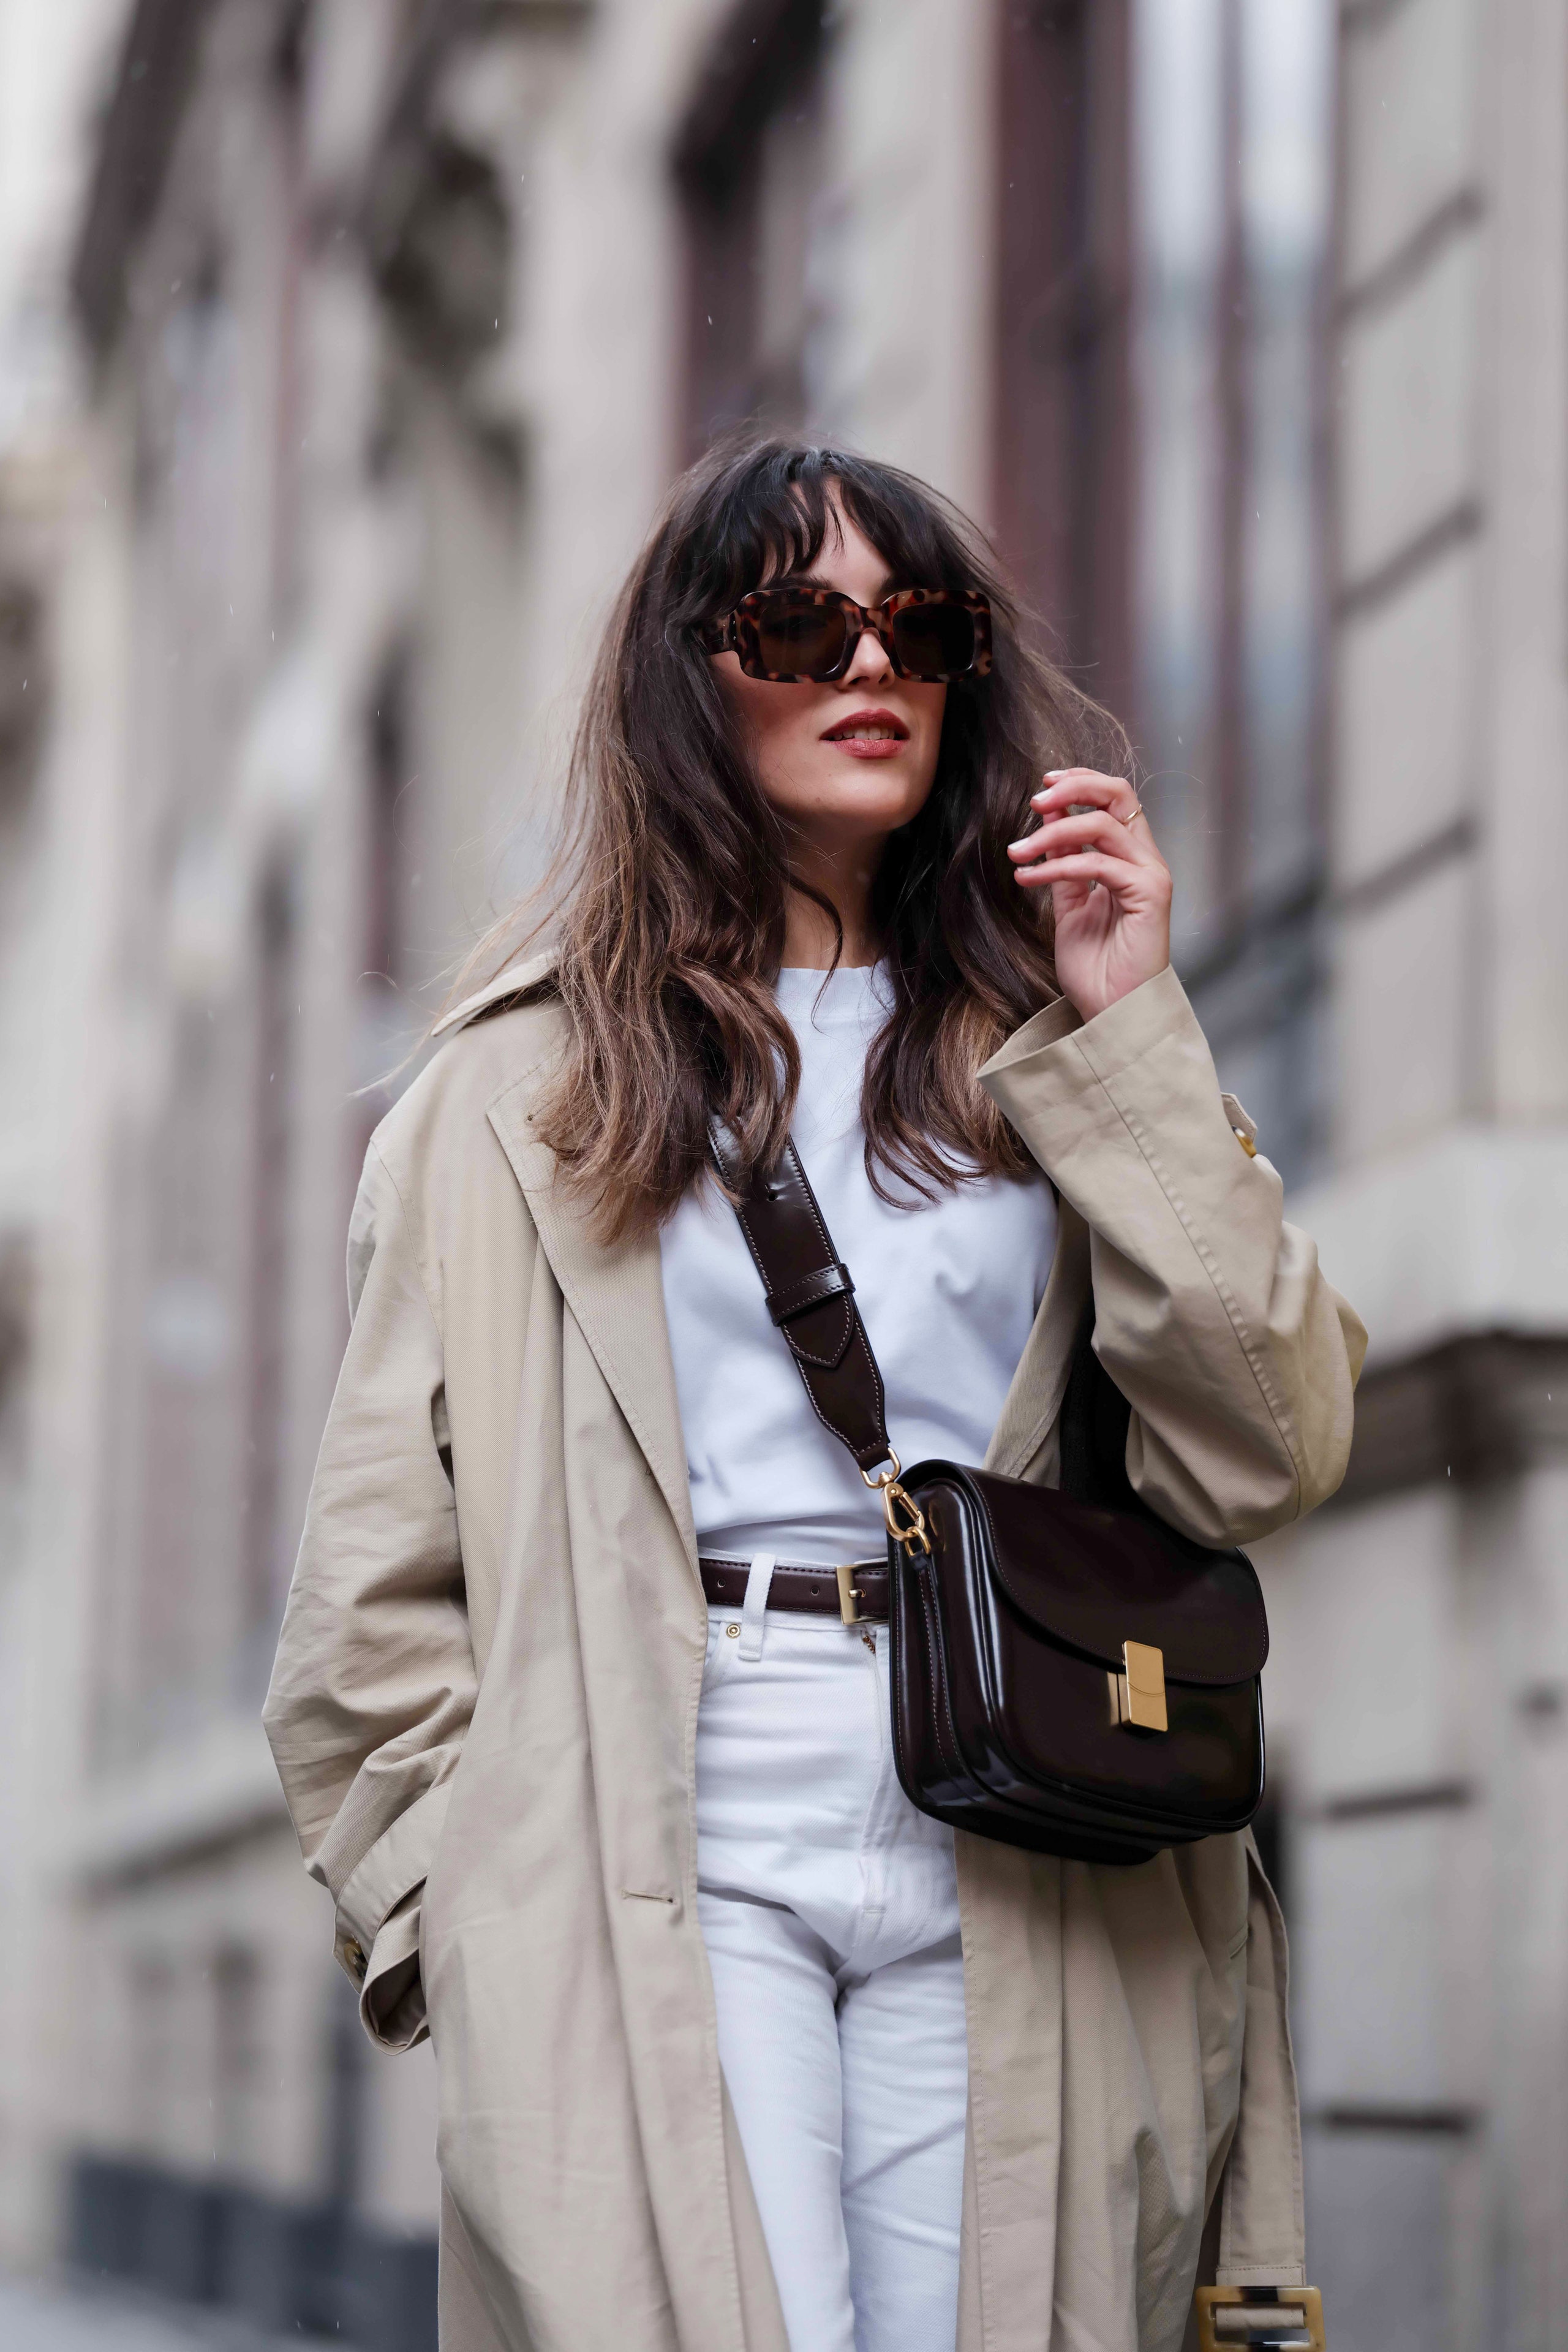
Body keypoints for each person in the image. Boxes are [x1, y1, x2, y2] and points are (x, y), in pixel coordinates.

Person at [264, 437, 1365, 2352]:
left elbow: (1268, 1447)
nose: (871, 665)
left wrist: (1135, 1032)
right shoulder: (509, 1095)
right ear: (692, 677)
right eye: (798, 621)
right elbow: (373, 1580)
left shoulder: (1062, 1048)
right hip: (659, 1819)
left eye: (917, 623)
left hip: (1015, 1805)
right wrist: (473, 1907)